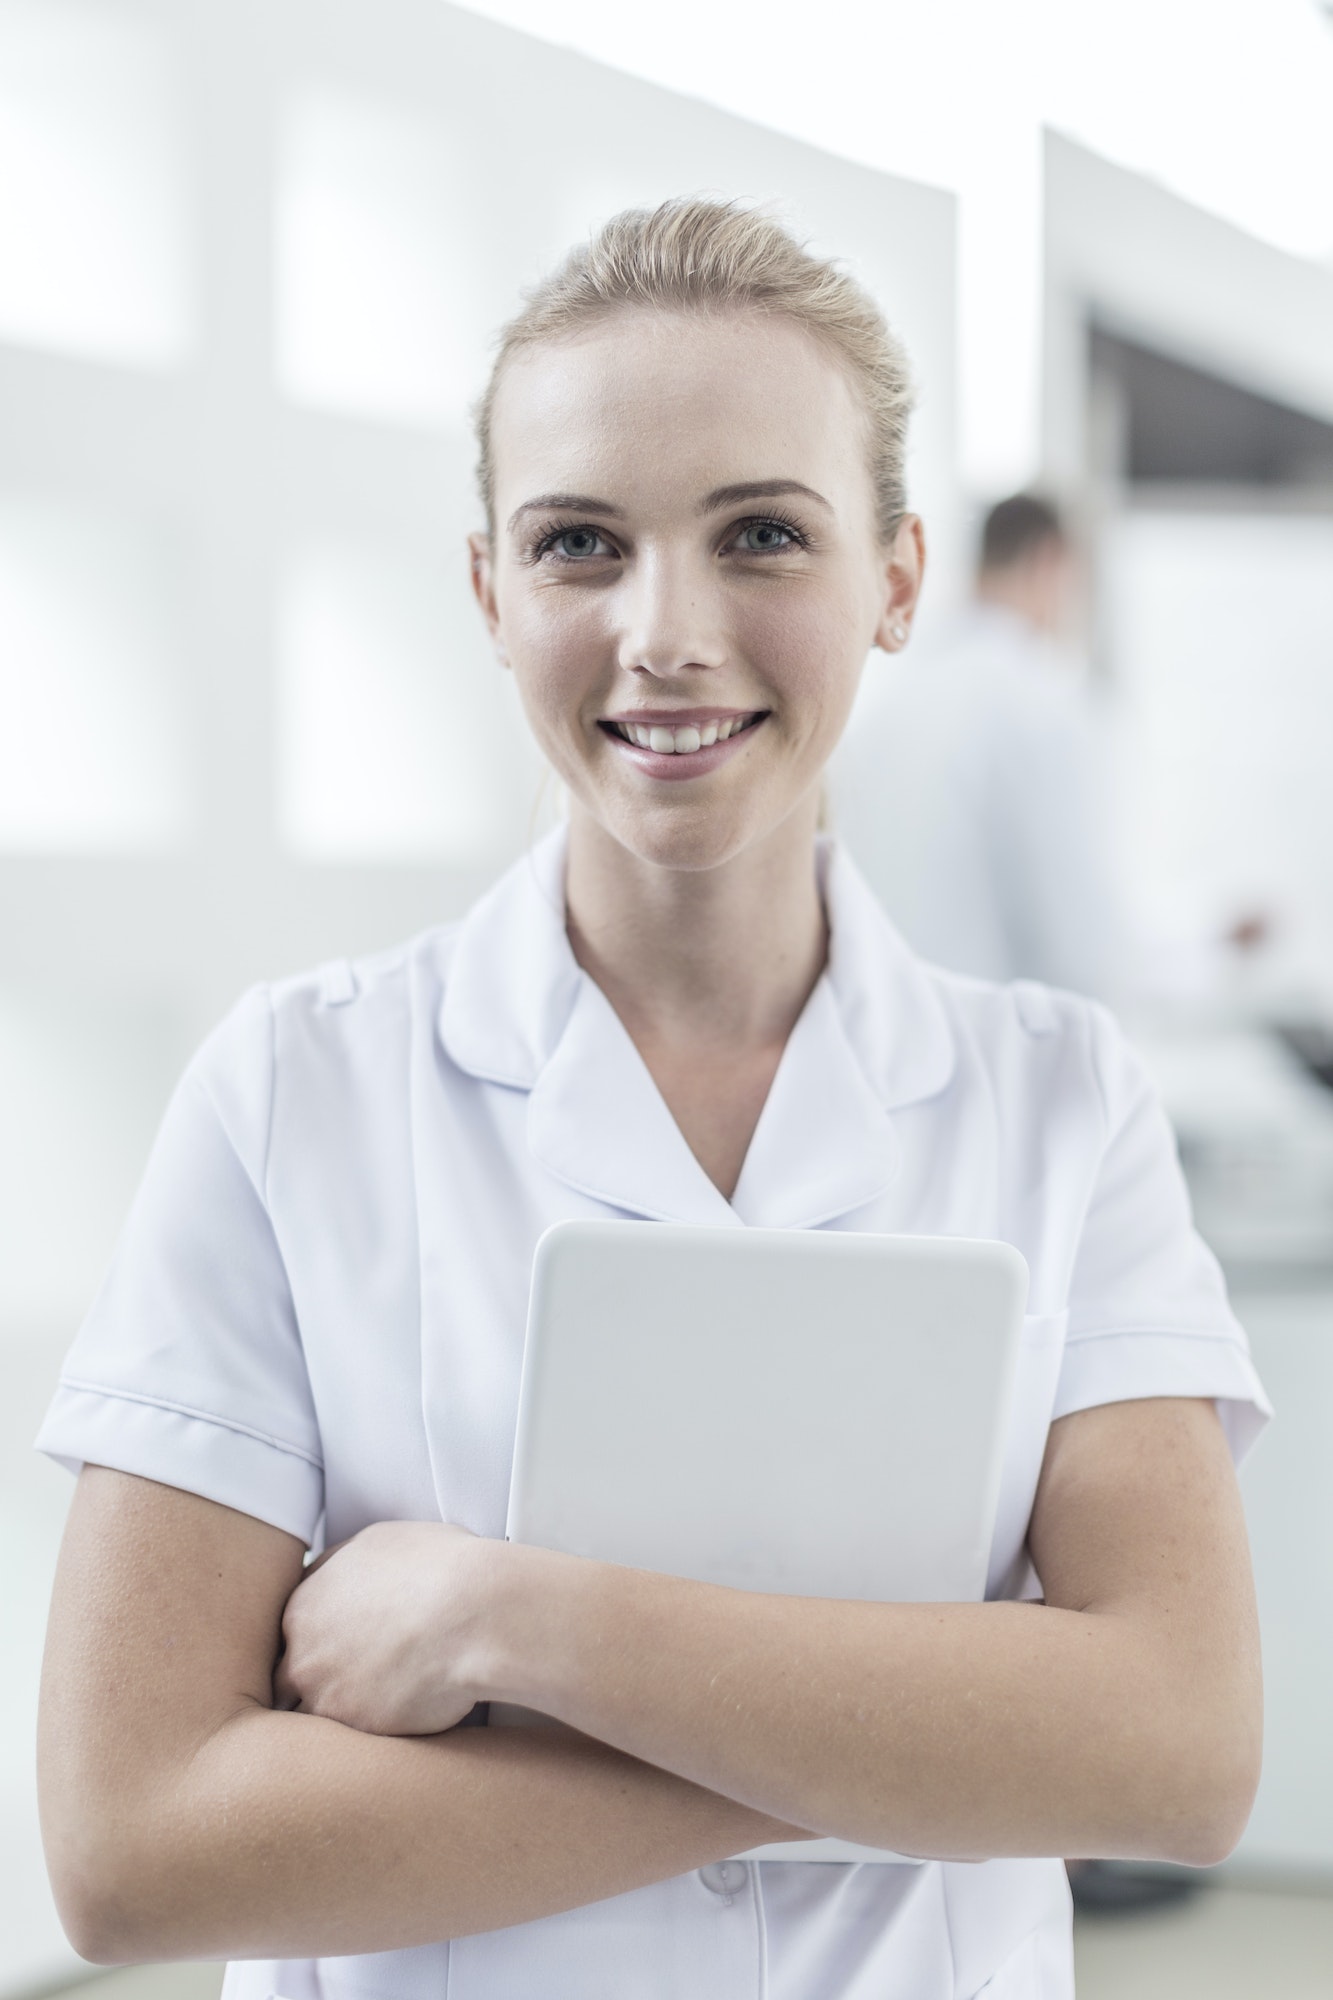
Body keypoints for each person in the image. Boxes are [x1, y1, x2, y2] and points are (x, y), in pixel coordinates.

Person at [36, 200, 1269, 2000]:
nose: (664, 632)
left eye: (761, 533)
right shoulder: (292, 1092)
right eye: (578, 546)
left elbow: (1174, 1752)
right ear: (488, 592)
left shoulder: (1058, 1101)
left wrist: (508, 1620)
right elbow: (132, 1848)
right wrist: (931, 1737)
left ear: (898, 578)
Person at [833, 492, 1124, 1001]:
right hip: (998, 1051)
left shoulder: (890, 700)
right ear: (1050, 560)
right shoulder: (1040, 700)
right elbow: (1083, 953)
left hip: (884, 1029)